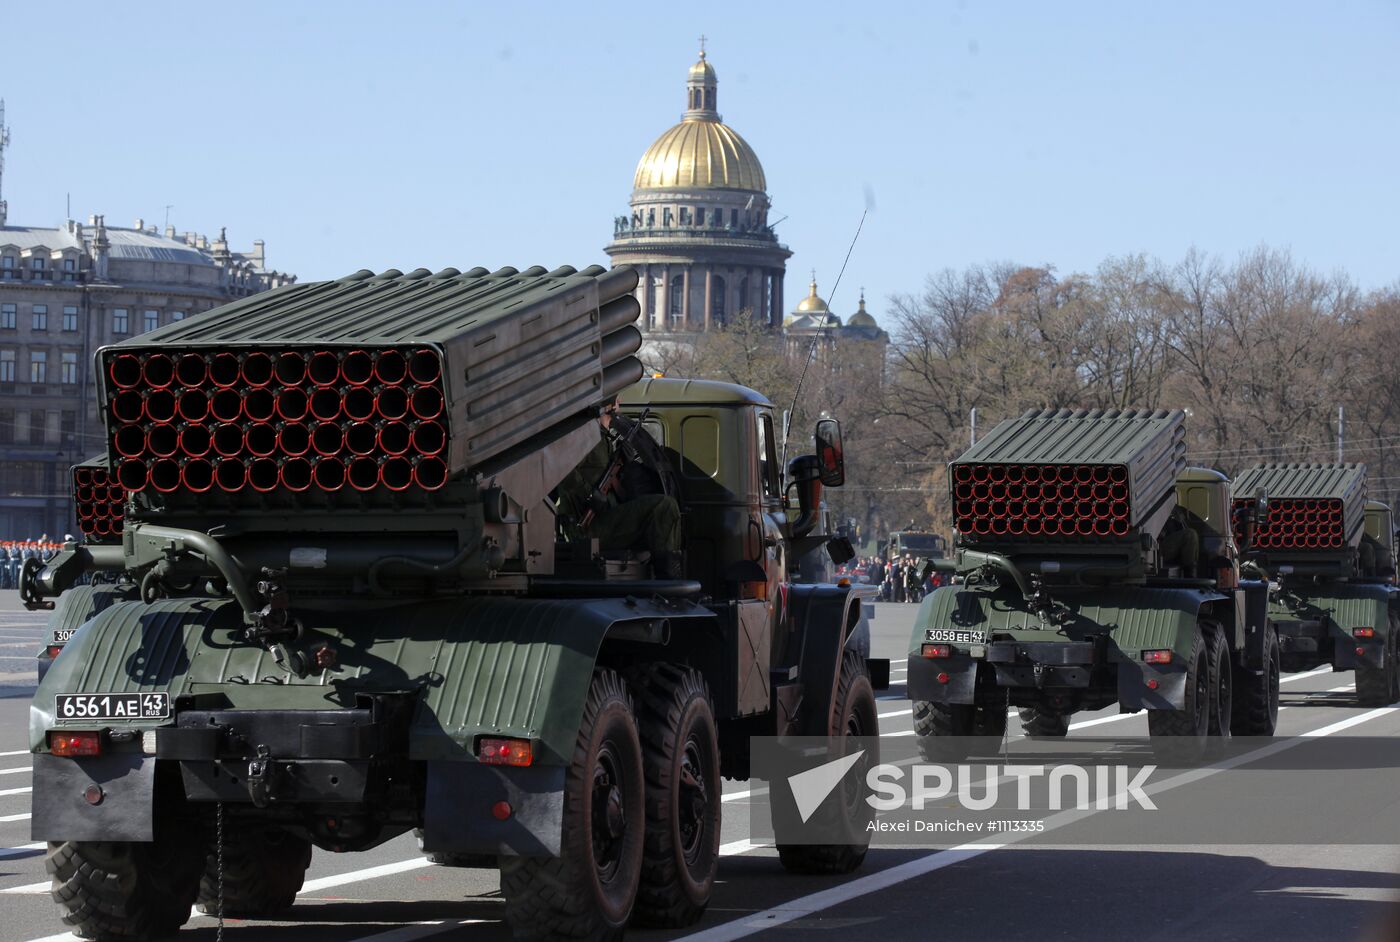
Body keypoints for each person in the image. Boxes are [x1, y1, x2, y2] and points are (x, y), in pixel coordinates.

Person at [556, 403, 683, 579]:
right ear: (608, 405)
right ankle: (669, 581)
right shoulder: (584, 438)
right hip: (587, 526)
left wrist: (625, 463)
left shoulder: (602, 439)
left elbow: (616, 488)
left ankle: (668, 580)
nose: (619, 405)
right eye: (616, 401)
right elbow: (562, 470)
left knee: (661, 513)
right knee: (664, 506)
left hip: (605, 518)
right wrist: (589, 495)